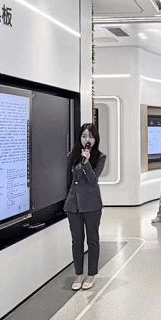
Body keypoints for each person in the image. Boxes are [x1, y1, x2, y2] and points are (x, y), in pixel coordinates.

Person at [64, 123, 106, 291]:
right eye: (84, 136)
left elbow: (93, 179)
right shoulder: (72, 155)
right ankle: (78, 274)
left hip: (92, 204)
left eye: (90, 136)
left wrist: (87, 162)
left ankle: (91, 274)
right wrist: (67, 201)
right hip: (73, 204)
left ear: (95, 139)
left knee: (92, 240)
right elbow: (68, 180)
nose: (87, 139)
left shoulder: (100, 157)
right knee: (77, 241)